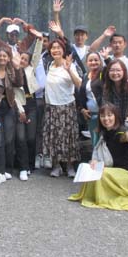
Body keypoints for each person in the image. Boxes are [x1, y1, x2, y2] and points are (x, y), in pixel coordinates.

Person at [68, 103, 128, 212]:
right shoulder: (104, 133)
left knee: (102, 174)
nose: (106, 119)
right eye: (103, 116)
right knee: (92, 171)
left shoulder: (121, 131)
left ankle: (106, 197)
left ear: (115, 116)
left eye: (109, 115)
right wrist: (94, 161)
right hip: (117, 172)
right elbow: (98, 150)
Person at [42, 39, 82, 178]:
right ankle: (56, 165)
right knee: (54, 137)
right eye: (53, 48)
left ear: (63, 50)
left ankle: (70, 166)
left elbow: (79, 84)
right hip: (51, 107)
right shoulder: (49, 65)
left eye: (58, 48)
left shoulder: (69, 65)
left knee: (68, 136)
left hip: (67, 106)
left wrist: (69, 69)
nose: (56, 50)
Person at [0, 46, 26, 185]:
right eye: (0, 56)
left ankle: (6, 169)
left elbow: (20, 83)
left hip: (9, 109)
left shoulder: (10, 72)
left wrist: (18, 67)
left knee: (9, 140)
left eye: (5, 56)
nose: (2, 58)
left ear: (8, 58)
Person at [14, 33, 43, 174]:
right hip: (19, 106)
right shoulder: (13, 72)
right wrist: (20, 111)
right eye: (21, 58)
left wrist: (39, 38)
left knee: (31, 137)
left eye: (26, 59)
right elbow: (13, 94)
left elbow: (37, 53)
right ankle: (23, 166)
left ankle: (31, 165)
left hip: (31, 104)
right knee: (21, 138)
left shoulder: (31, 69)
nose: (23, 60)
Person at [76, 52, 104, 147]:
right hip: (91, 115)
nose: (93, 62)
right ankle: (97, 160)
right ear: (87, 63)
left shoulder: (103, 74)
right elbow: (81, 96)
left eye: (96, 60)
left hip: (103, 114)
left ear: (100, 61)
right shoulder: (85, 76)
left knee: (105, 141)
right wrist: (82, 109)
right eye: (90, 60)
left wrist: (107, 57)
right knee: (95, 141)